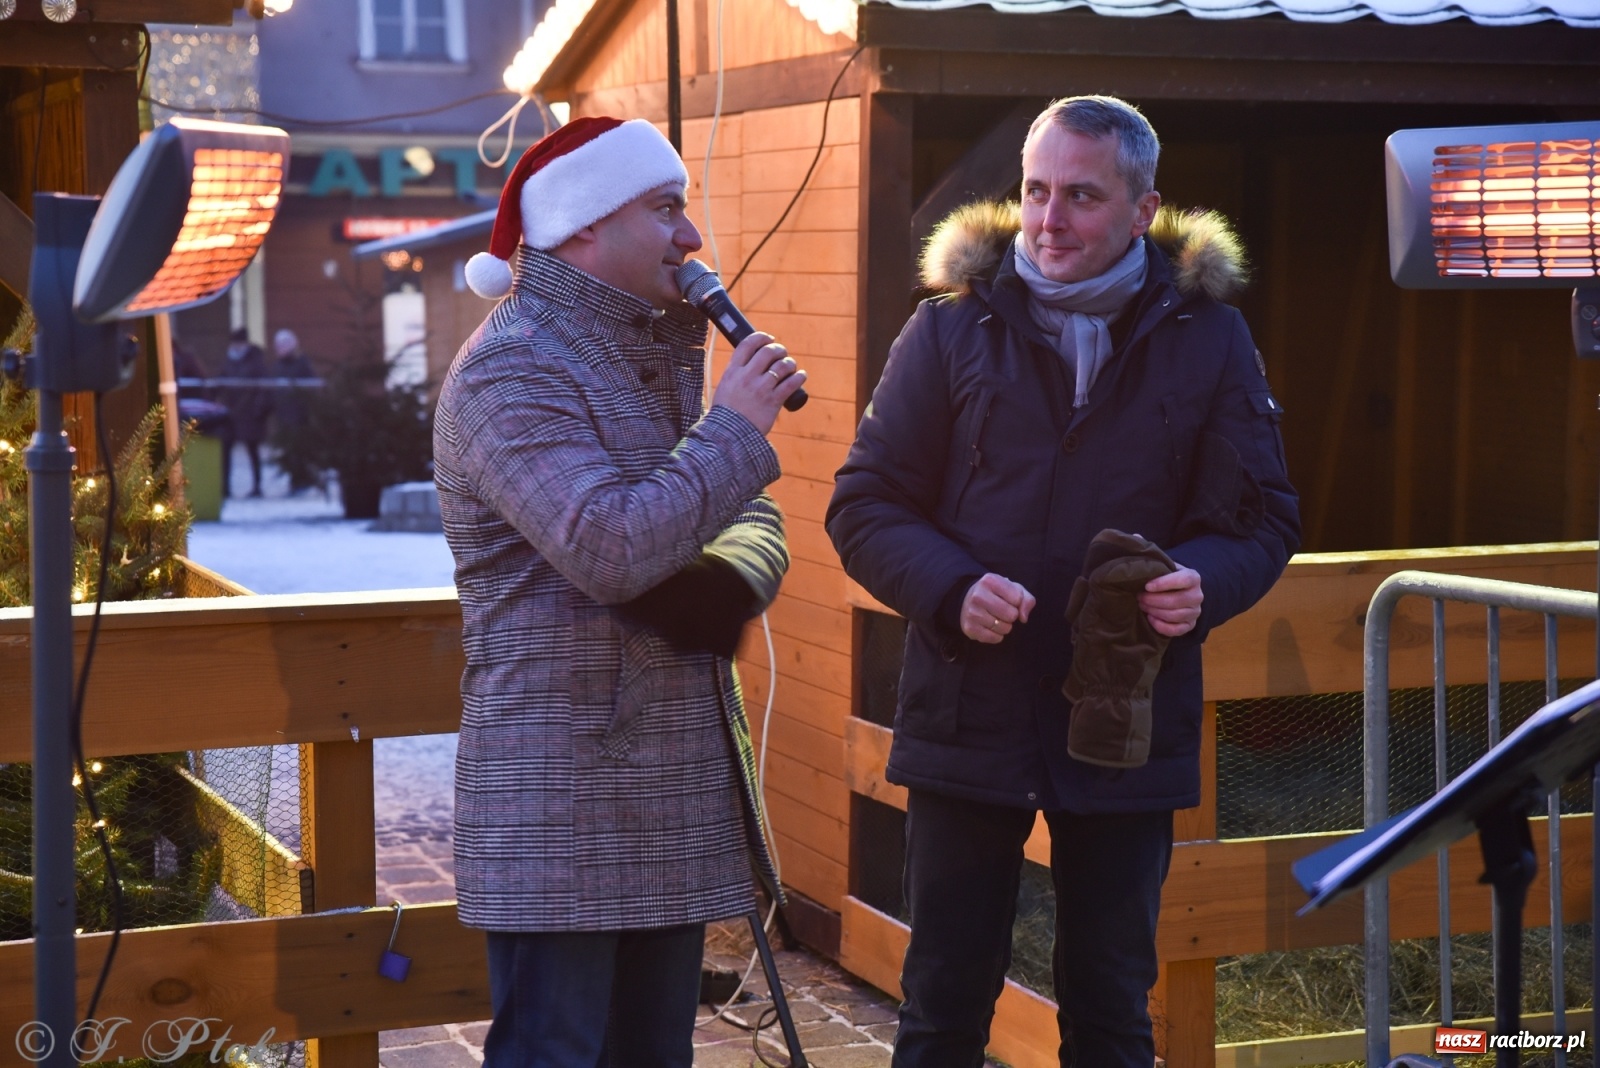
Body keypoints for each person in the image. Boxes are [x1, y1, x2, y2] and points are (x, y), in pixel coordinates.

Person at [826, 96, 1300, 1067]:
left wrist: (1202, 581)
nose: (1048, 219)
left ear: (1141, 208)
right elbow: (864, 504)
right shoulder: (947, 330)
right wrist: (951, 587)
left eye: (1080, 196)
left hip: (1125, 715)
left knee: (1112, 1006)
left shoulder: (1209, 339)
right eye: (1036, 191)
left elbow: (1262, 521)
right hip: (970, 709)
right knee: (943, 1002)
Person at [433, 116, 807, 1068]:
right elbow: (609, 547)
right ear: (586, 224)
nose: (692, 235)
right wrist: (734, 431)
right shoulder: (513, 368)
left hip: (665, 779)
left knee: (654, 1053)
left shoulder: (646, 348)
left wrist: (721, 578)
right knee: (553, 1053)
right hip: (561, 792)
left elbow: (746, 513)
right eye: (666, 208)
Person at [216, 327, 272, 498]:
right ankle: (225, 487)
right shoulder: (229, 359)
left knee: (252, 450)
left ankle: (257, 486)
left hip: (250, 414)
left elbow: (263, 387)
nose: (236, 346)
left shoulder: (256, 360)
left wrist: (258, 409)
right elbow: (221, 380)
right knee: (226, 450)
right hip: (230, 413)